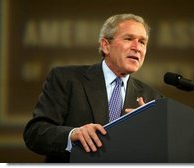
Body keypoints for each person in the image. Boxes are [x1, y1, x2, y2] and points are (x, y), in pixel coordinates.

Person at [23, 13, 164, 163]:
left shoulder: (153, 99)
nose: (137, 47)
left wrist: (149, 135)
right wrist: (72, 135)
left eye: (142, 42)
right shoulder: (66, 79)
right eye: (128, 39)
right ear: (105, 45)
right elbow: (35, 133)